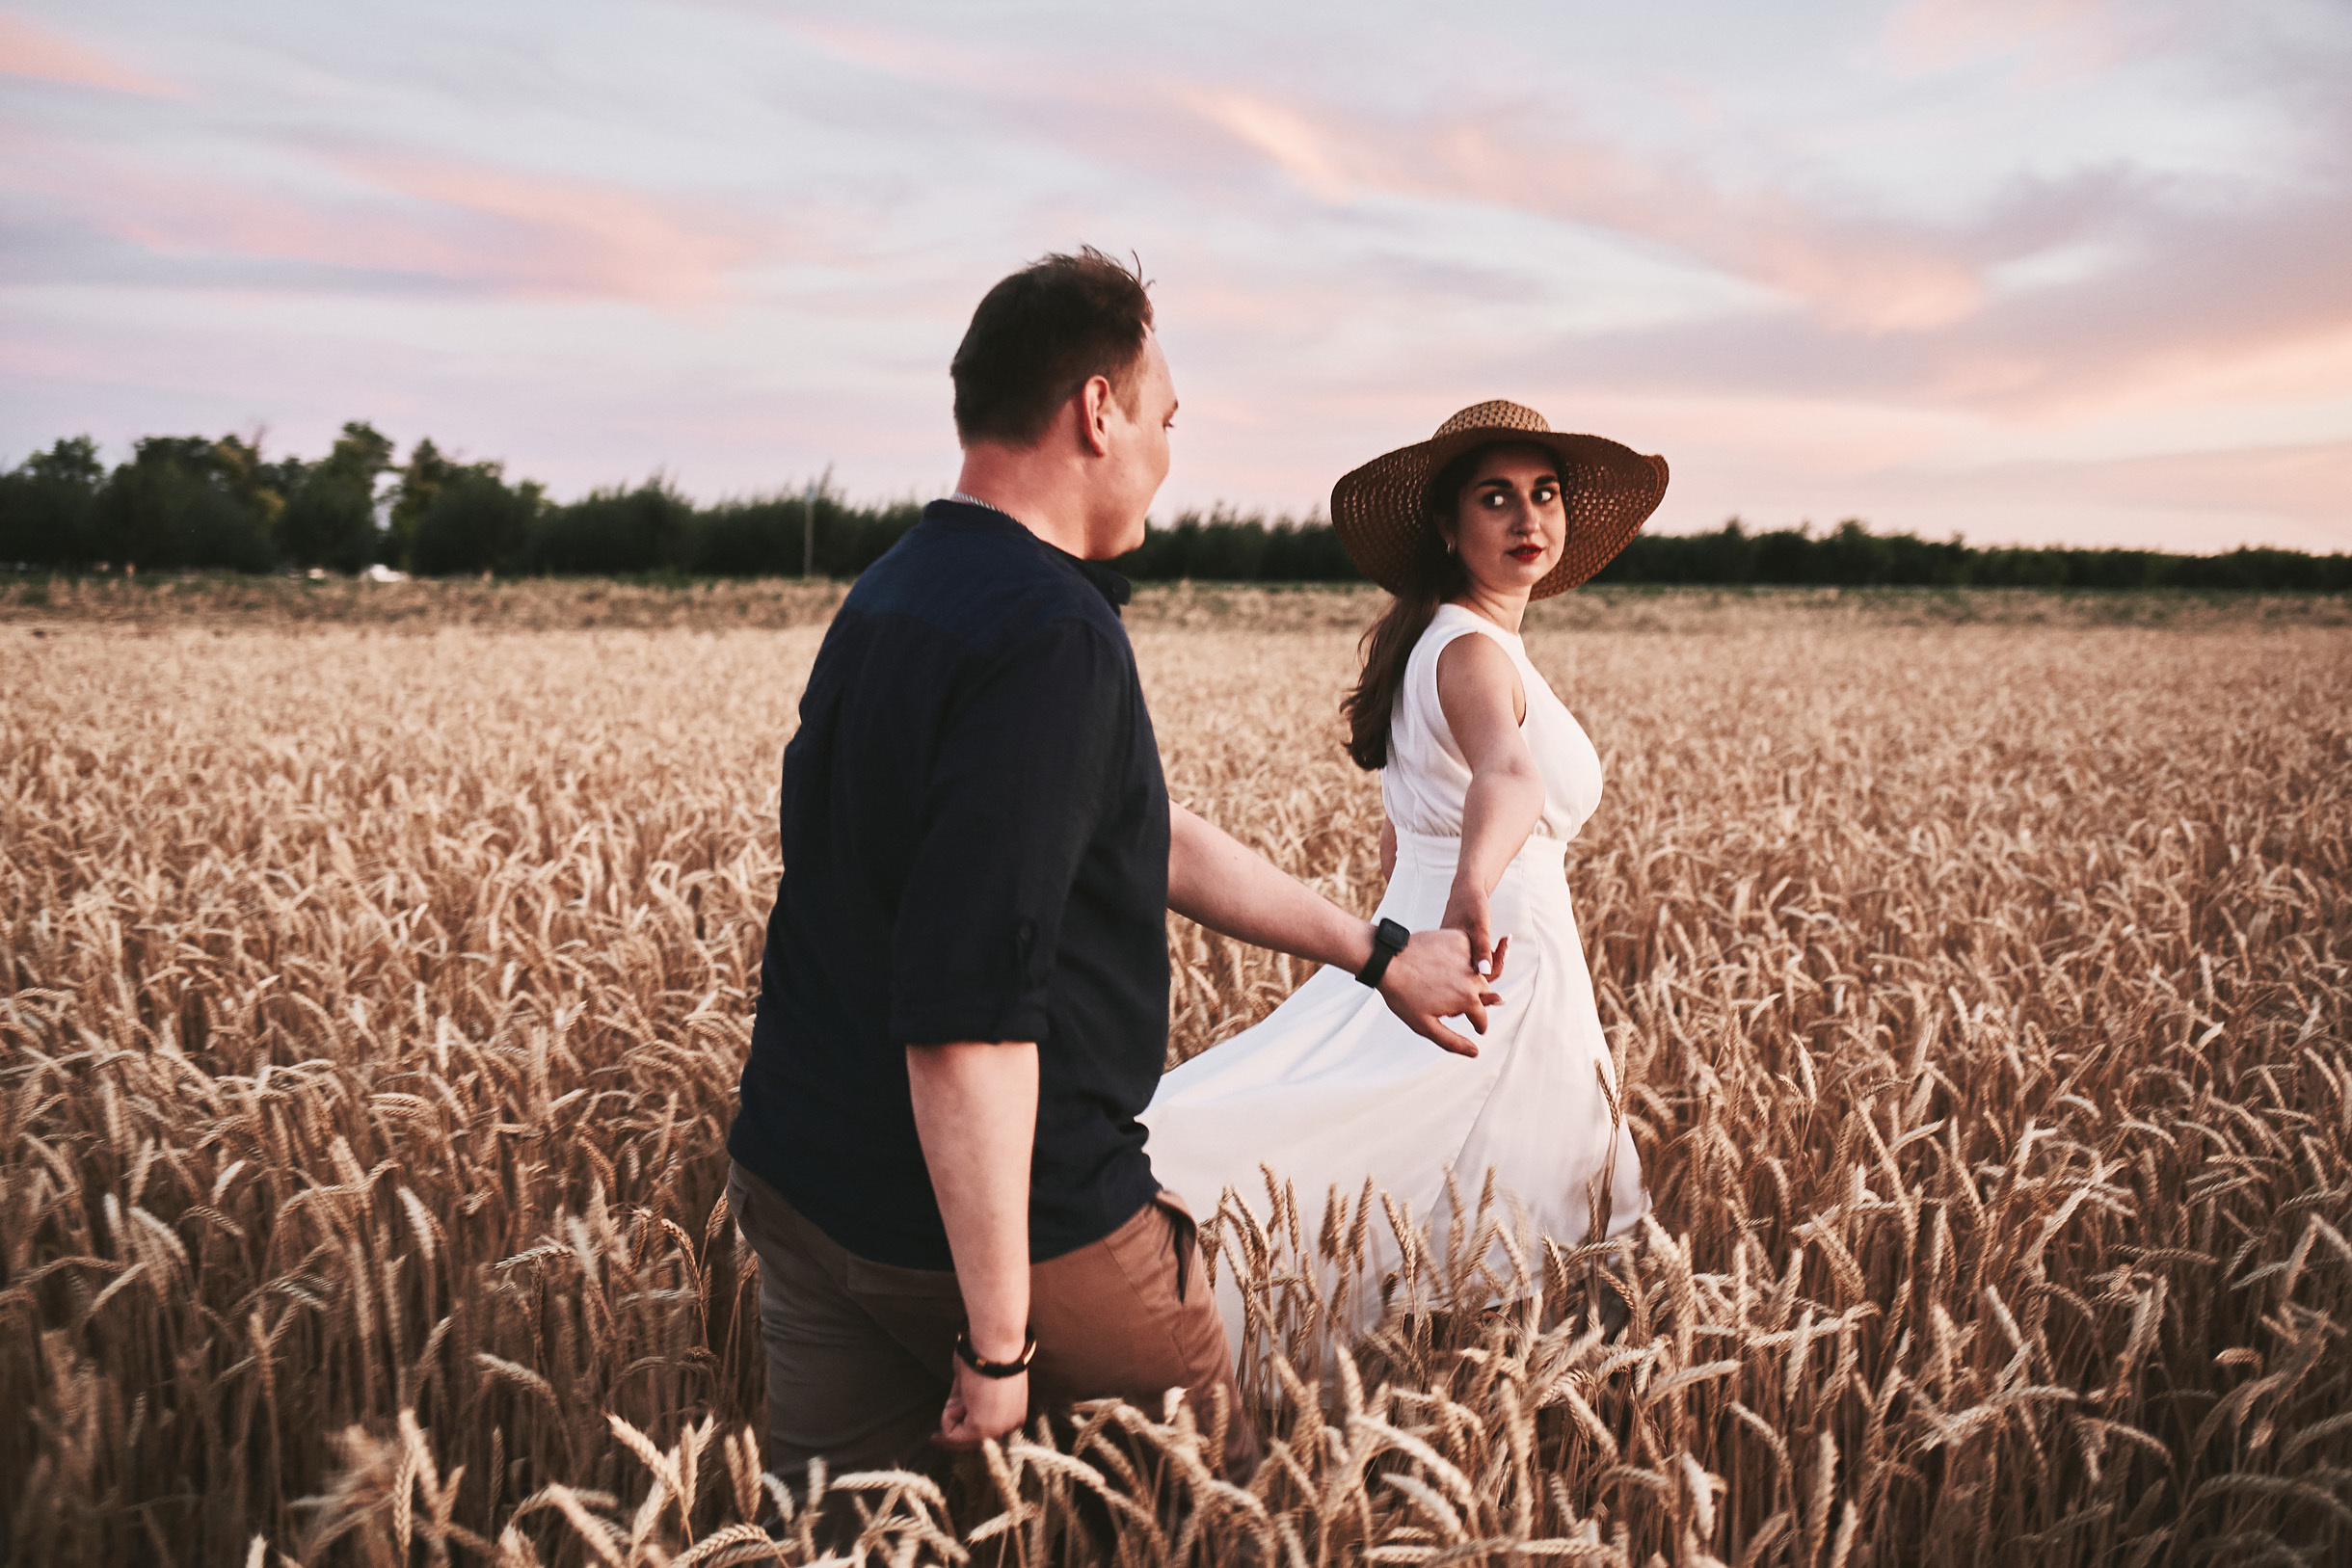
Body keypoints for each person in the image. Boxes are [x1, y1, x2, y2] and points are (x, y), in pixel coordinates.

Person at [723, 250, 1501, 1496]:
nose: (1170, 450)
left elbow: (1141, 831)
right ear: (1098, 409)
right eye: (1166, 415)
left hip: (803, 1184)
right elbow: (965, 1018)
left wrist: (1375, 950)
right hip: (1018, 1227)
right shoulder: (1051, 634)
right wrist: (997, 1337)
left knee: (846, 1535)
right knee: (1195, 1522)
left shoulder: (900, 585)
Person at [1141, 399, 1667, 1348]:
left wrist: (1424, 907)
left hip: (1446, 939)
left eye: (1543, 495)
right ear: (1445, 523)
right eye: (1496, 498)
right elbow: (1508, 775)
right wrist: (1472, 882)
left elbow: (1401, 830)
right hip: (1497, 954)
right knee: (1512, 1219)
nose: (1527, 518)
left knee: (1430, 1189)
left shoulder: (1444, 638)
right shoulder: (1469, 648)